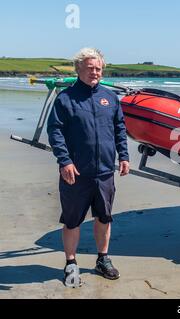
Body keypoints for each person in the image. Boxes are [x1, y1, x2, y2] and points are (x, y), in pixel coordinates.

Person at [47, 48, 130, 287]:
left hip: (104, 171)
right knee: (72, 220)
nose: (95, 72)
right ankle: (71, 263)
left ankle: (102, 259)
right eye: (90, 68)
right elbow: (55, 131)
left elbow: (119, 128)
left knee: (104, 217)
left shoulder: (110, 98)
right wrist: (65, 161)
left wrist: (123, 156)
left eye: (98, 68)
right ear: (79, 69)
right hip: (76, 172)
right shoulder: (65, 99)